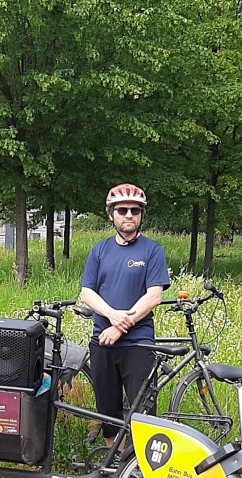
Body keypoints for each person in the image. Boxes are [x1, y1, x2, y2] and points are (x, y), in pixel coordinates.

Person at [78, 183, 170, 446]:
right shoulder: (99, 250)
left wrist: (120, 325)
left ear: (141, 215)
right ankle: (113, 466)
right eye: (122, 210)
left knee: (143, 411)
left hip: (138, 343)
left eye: (134, 210)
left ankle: (140, 470)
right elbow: (87, 292)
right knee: (108, 410)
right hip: (102, 342)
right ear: (111, 214)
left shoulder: (153, 250)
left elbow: (154, 296)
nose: (128, 215)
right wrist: (112, 315)